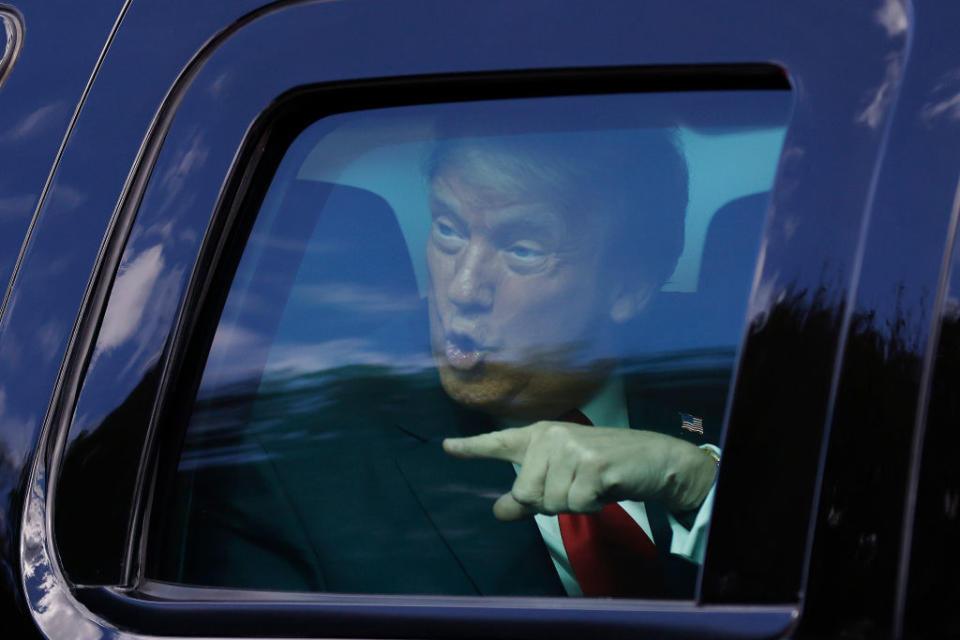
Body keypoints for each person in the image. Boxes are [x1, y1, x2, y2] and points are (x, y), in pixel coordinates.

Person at [420, 127, 721, 597]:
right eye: (448, 230)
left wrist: (701, 487)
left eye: (522, 250)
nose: (462, 288)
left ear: (629, 287)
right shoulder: (314, 460)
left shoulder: (747, 390)